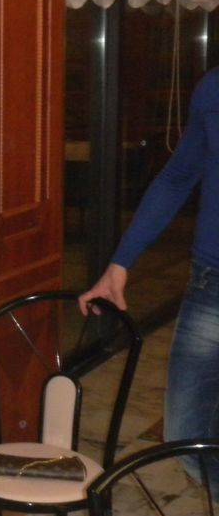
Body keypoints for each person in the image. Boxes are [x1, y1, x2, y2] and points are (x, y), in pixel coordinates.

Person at [79, 65, 219, 489]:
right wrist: (121, 262)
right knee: (186, 438)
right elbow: (178, 176)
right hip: (211, 286)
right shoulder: (213, 87)